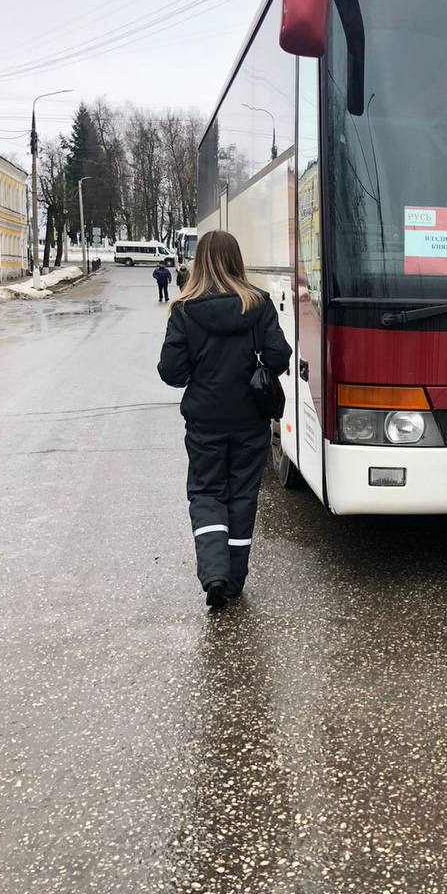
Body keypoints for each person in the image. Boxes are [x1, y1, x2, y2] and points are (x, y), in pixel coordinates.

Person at [157, 230, 292, 611]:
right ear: (236, 259)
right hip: (249, 419)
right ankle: (234, 579)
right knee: (242, 495)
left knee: (206, 492)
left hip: (204, 422)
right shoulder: (259, 304)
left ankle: (214, 574)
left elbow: (171, 372)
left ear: (199, 261)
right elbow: (279, 357)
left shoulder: (184, 309)